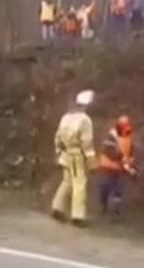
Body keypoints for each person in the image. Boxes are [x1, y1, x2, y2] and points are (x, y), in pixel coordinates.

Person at [51, 90, 97, 227]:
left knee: (67, 181)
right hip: (78, 155)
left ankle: (57, 207)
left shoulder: (66, 117)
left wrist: (58, 151)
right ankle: (78, 216)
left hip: (66, 153)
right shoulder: (85, 120)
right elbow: (86, 141)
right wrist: (91, 159)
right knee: (79, 184)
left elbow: (57, 137)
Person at [98, 115, 137, 216]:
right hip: (108, 166)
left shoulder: (129, 137)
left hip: (120, 168)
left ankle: (116, 209)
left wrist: (131, 164)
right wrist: (122, 159)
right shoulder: (111, 135)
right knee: (105, 187)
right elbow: (109, 150)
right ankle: (104, 206)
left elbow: (131, 152)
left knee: (118, 189)